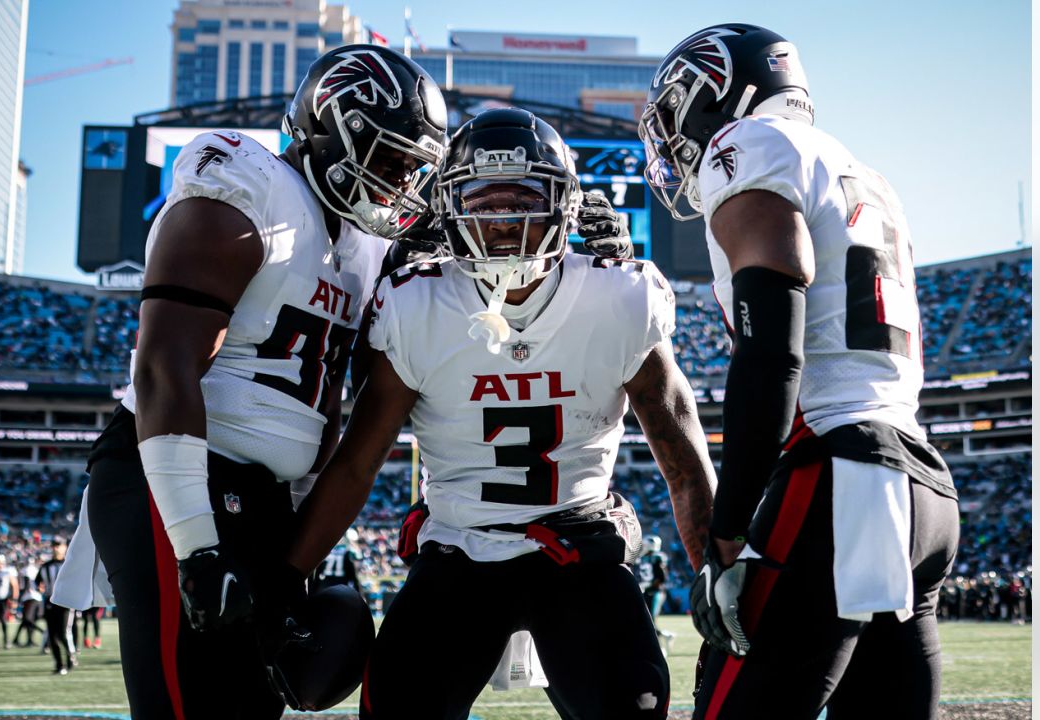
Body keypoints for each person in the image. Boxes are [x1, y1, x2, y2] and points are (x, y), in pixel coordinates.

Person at [285, 108, 717, 720]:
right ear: (449, 208)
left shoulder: (617, 295)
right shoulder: (417, 302)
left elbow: (682, 455)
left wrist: (718, 573)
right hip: (459, 551)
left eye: (521, 199)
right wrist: (285, 581)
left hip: (577, 549)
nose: (504, 219)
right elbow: (357, 464)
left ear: (564, 204)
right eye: (483, 202)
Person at [68, 44, 448, 720]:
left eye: (412, 169)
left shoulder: (368, 250)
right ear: (333, 135)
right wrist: (198, 548)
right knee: (183, 706)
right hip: (174, 481)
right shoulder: (248, 187)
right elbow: (165, 367)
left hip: (264, 499)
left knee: (250, 707)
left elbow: (334, 409)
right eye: (389, 161)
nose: (400, 184)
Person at [638, 24, 960, 720]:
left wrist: (729, 528)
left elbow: (772, 351)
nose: (671, 140)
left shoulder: (747, 143)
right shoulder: (865, 176)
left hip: (836, 474)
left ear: (716, 91)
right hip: (921, 484)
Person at [39, 540, 77, 675]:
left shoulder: (69, 565)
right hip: (50, 603)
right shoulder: (45, 566)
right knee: (52, 635)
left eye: (58, 545)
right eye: (53, 545)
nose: (55, 548)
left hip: (65, 603)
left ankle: (70, 658)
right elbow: (39, 582)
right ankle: (59, 664)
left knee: (63, 633)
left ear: (65, 547)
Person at [637, 535, 675, 652]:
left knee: (650, 620)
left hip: (656, 592)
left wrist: (648, 585)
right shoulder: (642, 558)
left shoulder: (657, 557)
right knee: (645, 620)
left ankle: (659, 649)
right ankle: (665, 636)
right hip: (646, 592)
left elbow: (662, 577)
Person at [311, 528, 361, 594]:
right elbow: (358, 557)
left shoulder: (327, 547)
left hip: (325, 581)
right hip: (340, 583)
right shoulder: (347, 550)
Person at [13, 556, 43, 647]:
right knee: (28, 619)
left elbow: (26, 584)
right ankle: (29, 639)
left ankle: (27, 639)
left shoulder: (27, 570)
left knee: (27, 620)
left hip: (29, 597)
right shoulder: (35, 569)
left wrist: (20, 598)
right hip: (35, 596)